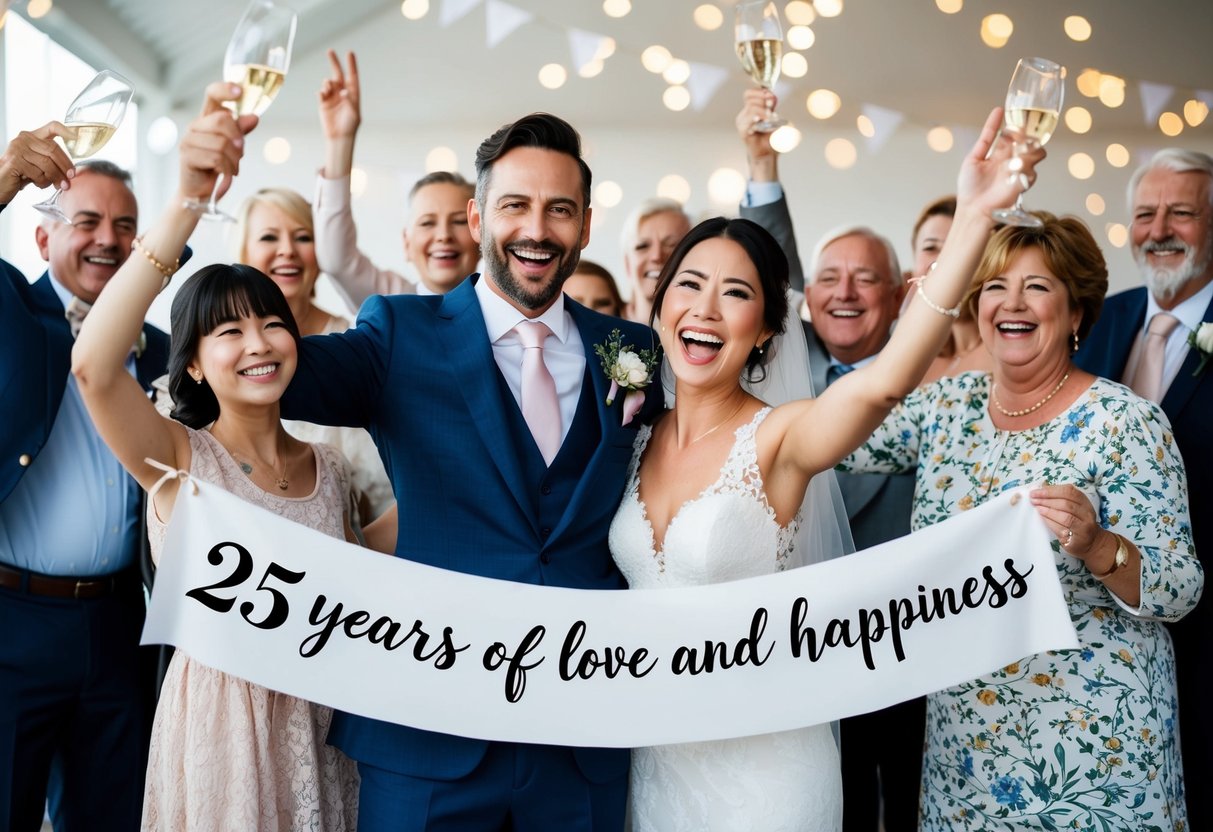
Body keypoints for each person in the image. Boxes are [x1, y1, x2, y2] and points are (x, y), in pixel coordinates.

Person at [609, 106, 1042, 832]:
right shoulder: (624, 437)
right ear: (657, 310)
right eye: (688, 285)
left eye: (737, 293)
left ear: (768, 333)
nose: (706, 308)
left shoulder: (779, 438)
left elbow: (881, 385)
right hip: (655, 760)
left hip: (769, 773)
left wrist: (972, 214)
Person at [279, 111, 665, 830]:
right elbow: (264, 373)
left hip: (578, 739)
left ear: (585, 223)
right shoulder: (396, 331)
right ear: (476, 214)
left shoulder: (629, 346)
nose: (536, 230)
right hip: (429, 735)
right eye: (515, 205)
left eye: (559, 210)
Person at [843, 212, 1201, 830]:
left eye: (1037, 286)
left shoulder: (1125, 422)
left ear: (1077, 312)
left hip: (1097, 749)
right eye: (995, 287)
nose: (1012, 303)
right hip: (967, 744)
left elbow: (1181, 589)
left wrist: (1098, 544)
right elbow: (833, 437)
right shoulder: (944, 407)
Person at [71, 82, 361, 831]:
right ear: (192, 364)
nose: (259, 343)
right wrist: (184, 208)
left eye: (270, 324)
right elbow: (95, 367)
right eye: (228, 333)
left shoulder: (334, 473)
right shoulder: (175, 457)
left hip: (323, 728)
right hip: (219, 735)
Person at [735, 87, 923, 832]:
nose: (843, 293)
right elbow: (767, 255)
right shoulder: (779, 363)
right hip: (799, 648)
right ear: (802, 295)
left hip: (908, 646)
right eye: (827, 278)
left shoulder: (929, 373)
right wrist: (761, 165)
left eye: (865, 278)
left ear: (899, 292)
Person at [0, 127, 165, 832]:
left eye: (125, 226)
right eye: (87, 221)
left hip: (123, 621)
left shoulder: (161, 348)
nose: (108, 239)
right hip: (14, 620)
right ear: (43, 241)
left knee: (112, 814)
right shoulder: (10, 308)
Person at [1075, 147, 1213, 830]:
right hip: (1102, 633)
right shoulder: (1099, 318)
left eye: (1180, 213)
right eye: (1143, 214)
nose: (1157, 229)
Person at [236, 185, 393, 524]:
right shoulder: (225, 354)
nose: (287, 251)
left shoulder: (357, 343)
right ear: (244, 252)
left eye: (303, 237)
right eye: (269, 238)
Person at [315, 50, 478, 307]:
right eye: (427, 223)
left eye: (459, 222)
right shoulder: (393, 302)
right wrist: (340, 141)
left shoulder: (504, 307)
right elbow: (337, 260)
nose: (444, 235)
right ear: (406, 243)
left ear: (481, 235)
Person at [908, 196, 992, 384]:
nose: (944, 260)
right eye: (930, 247)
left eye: (958, 248)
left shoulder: (1009, 353)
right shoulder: (909, 354)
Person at [620, 196, 691, 323]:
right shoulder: (601, 329)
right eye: (643, 246)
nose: (657, 256)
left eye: (672, 245)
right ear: (627, 265)